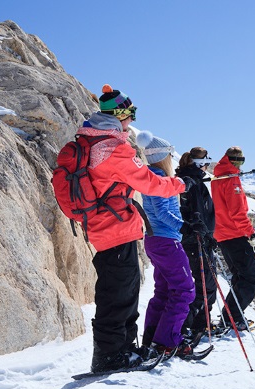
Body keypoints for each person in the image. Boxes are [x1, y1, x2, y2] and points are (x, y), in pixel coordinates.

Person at [79, 85, 190, 373]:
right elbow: (148, 182)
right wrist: (180, 184)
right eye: (131, 113)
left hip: (108, 225)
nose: (132, 120)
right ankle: (109, 356)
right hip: (114, 227)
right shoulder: (112, 148)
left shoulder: (96, 141)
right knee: (118, 294)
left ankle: (123, 351)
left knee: (123, 291)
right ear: (119, 114)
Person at [136, 131, 199, 359]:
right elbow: (163, 213)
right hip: (166, 240)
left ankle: (153, 338)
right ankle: (167, 342)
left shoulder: (151, 176)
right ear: (163, 156)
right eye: (170, 155)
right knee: (185, 290)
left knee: (164, 291)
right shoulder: (160, 178)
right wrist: (185, 227)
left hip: (155, 240)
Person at [211, 146, 255, 330]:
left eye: (242, 161)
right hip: (235, 234)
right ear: (230, 160)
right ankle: (233, 318)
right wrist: (250, 232)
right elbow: (237, 213)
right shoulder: (232, 181)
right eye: (237, 161)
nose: (239, 165)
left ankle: (230, 316)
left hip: (222, 234)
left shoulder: (218, 177)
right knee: (250, 277)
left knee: (240, 277)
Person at [176, 148, 218, 339]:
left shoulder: (189, 180)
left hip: (194, 239)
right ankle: (191, 325)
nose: (208, 165)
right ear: (199, 163)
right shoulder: (193, 183)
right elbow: (198, 213)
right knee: (205, 286)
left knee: (203, 285)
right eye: (206, 161)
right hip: (197, 240)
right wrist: (206, 235)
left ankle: (200, 323)